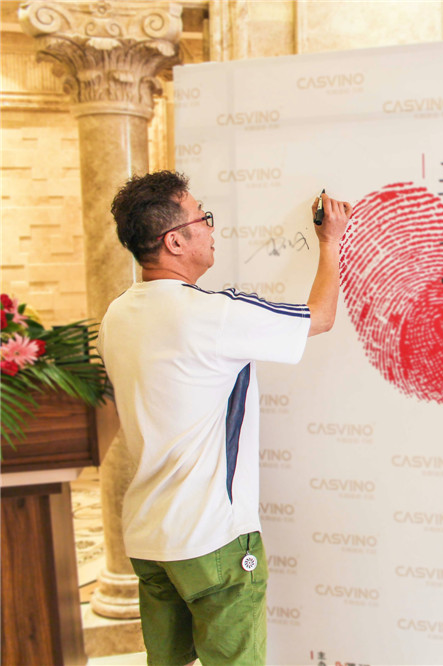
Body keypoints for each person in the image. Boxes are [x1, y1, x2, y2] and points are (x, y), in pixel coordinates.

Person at [97, 171, 350, 665]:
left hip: (149, 538)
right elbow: (319, 317)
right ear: (174, 241)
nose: (212, 229)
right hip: (212, 539)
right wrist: (331, 242)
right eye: (203, 218)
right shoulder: (211, 315)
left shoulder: (116, 316)